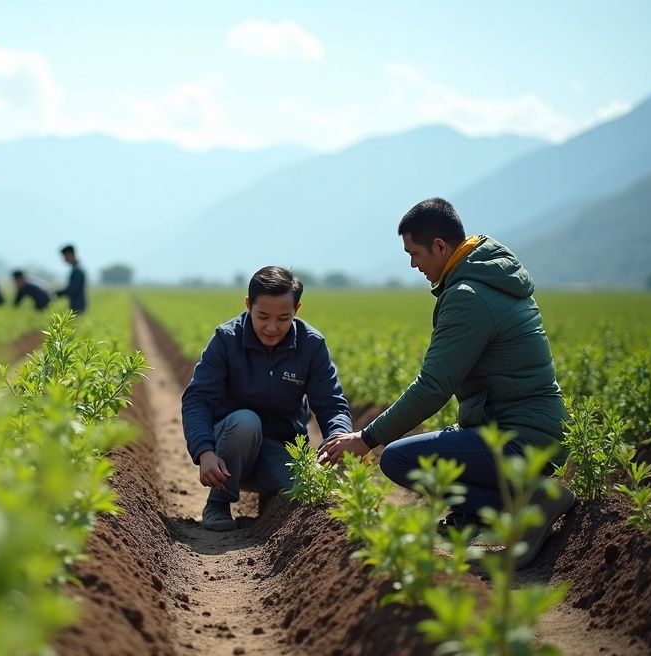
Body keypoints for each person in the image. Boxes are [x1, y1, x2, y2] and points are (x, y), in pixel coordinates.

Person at [318, 197, 572, 569]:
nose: (412, 264)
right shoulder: (490, 277)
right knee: (443, 450)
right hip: (529, 432)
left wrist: (366, 438)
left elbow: (433, 386)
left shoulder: (467, 296)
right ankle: (483, 513)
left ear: (440, 246)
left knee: (398, 458)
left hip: (522, 440)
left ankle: (530, 503)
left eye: (415, 252)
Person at [182, 266, 353, 531]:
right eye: (262, 316)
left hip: (281, 446)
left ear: (297, 309)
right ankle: (219, 501)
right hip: (231, 447)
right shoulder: (227, 340)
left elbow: (332, 403)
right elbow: (197, 399)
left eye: (283, 318)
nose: (272, 327)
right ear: (248, 305)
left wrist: (339, 438)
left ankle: (271, 502)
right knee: (245, 422)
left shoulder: (311, 345)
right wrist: (204, 451)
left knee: (308, 492)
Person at [55, 244, 87, 314]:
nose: (64, 259)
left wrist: (56, 293)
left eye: (65, 256)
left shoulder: (77, 270)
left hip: (77, 305)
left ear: (70, 254)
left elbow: (72, 289)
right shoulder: (77, 268)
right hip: (77, 304)